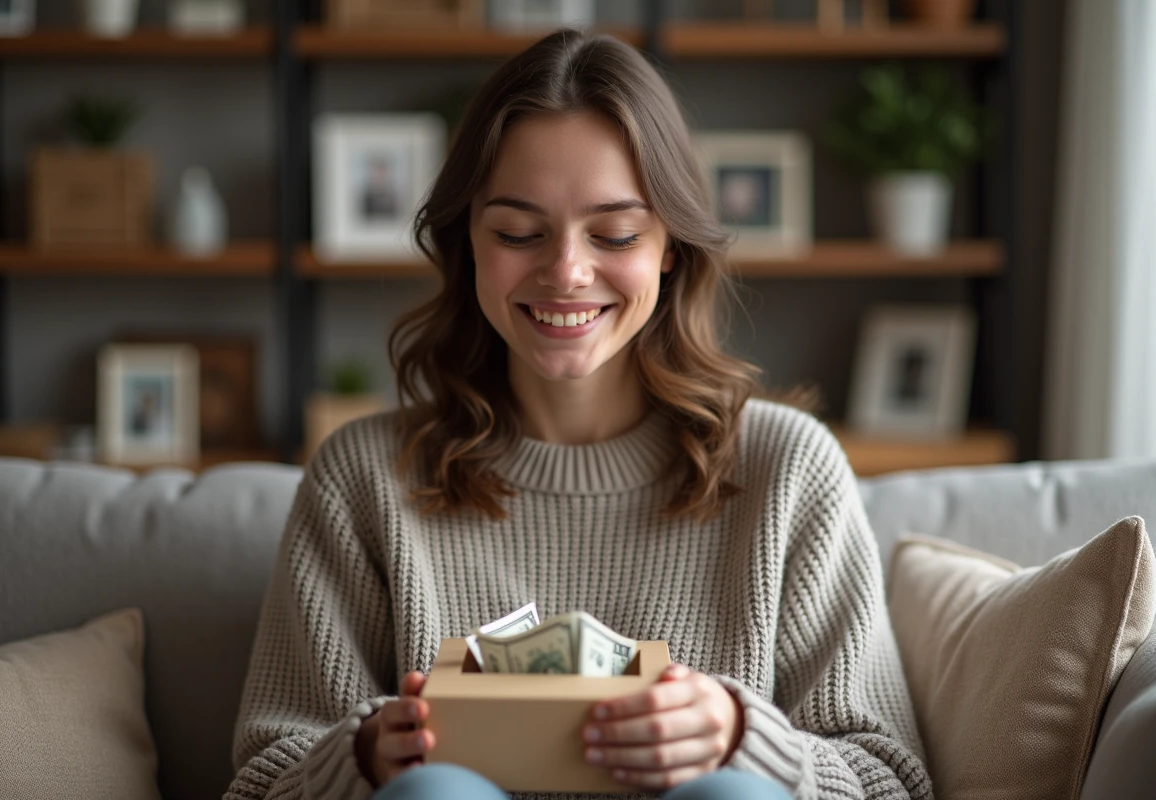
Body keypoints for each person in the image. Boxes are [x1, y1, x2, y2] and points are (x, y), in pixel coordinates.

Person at [225, 28, 931, 800]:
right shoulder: (363, 478)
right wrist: (361, 759)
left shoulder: (787, 470)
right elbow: (261, 782)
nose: (566, 272)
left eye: (616, 233)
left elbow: (892, 783)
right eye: (518, 233)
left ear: (669, 246)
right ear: (468, 242)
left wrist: (742, 739)